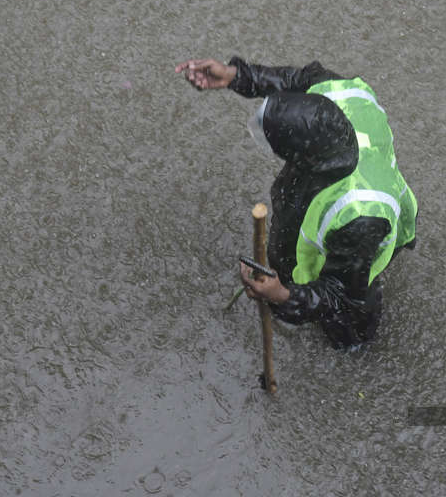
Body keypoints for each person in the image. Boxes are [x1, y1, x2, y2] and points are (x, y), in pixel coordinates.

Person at [175, 55, 418, 349]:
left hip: (361, 243)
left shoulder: (361, 216)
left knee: (349, 327)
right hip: (324, 201)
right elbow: (297, 79)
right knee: (288, 244)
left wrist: (283, 297)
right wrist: (235, 75)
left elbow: (339, 294)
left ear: (306, 158)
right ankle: (289, 277)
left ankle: (354, 346)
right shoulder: (341, 94)